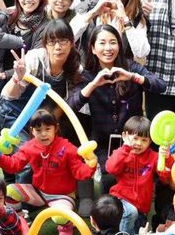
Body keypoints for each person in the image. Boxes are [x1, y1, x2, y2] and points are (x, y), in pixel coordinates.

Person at [67, 24, 165, 190]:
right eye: (102, 43)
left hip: (135, 142)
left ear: (119, 46)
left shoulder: (130, 67)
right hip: (103, 144)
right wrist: (93, 85)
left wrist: (133, 77)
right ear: (93, 48)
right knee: (110, 180)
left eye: (113, 42)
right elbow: (71, 106)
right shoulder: (88, 74)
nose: (108, 48)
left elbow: (161, 85)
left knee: (137, 181)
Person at [0, 20, 83, 196]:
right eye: (52, 42)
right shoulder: (34, 59)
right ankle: (21, 203)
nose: (58, 47)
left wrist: (44, 128)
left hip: (42, 117)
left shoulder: (75, 67)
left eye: (63, 41)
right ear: (45, 44)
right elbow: (11, 95)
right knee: (26, 157)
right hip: (15, 110)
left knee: (43, 153)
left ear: (71, 43)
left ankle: (40, 194)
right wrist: (17, 77)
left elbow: (63, 105)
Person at [0, 109, 96, 235]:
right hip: (39, 192)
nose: (43, 134)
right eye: (38, 130)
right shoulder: (29, 147)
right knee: (9, 191)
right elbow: (14, 164)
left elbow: (79, 172)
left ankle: (66, 225)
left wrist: (90, 165)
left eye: (48, 129)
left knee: (60, 218)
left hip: (63, 195)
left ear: (55, 128)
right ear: (32, 131)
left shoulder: (67, 148)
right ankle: (20, 220)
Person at [71, 0, 149, 61]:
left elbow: (142, 52)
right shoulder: (92, 5)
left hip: (121, 69)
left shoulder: (136, 15)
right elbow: (68, 36)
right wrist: (93, 13)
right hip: (91, 69)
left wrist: (125, 19)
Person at [104, 116, 160, 235]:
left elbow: (164, 174)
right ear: (125, 136)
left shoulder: (153, 157)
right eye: (135, 138)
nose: (139, 143)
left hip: (141, 209)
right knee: (131, 212)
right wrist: (125, 147)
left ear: (150, 141)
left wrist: (166, 157)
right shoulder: (121, 153)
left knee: (140, 234)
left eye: (144, 140)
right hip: (120, 201)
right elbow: (110, 168)